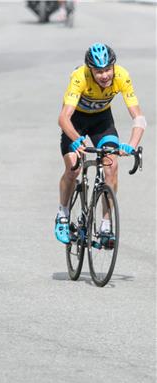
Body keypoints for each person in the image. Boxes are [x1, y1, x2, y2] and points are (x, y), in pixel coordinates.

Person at [54, 43, 146, 244]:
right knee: (73, 169)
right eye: (99, 71)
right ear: (90, 70)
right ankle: (62, 213)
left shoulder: (122, 76)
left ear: (113, 66)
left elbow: (138, 117)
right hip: (75, 122)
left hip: (102, 122)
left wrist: (131, 144)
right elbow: (63, 118)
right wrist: (76, 139)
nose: (105, 75)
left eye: (107, 70)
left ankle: (105, 225)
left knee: (111, 166)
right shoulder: (80, 77)